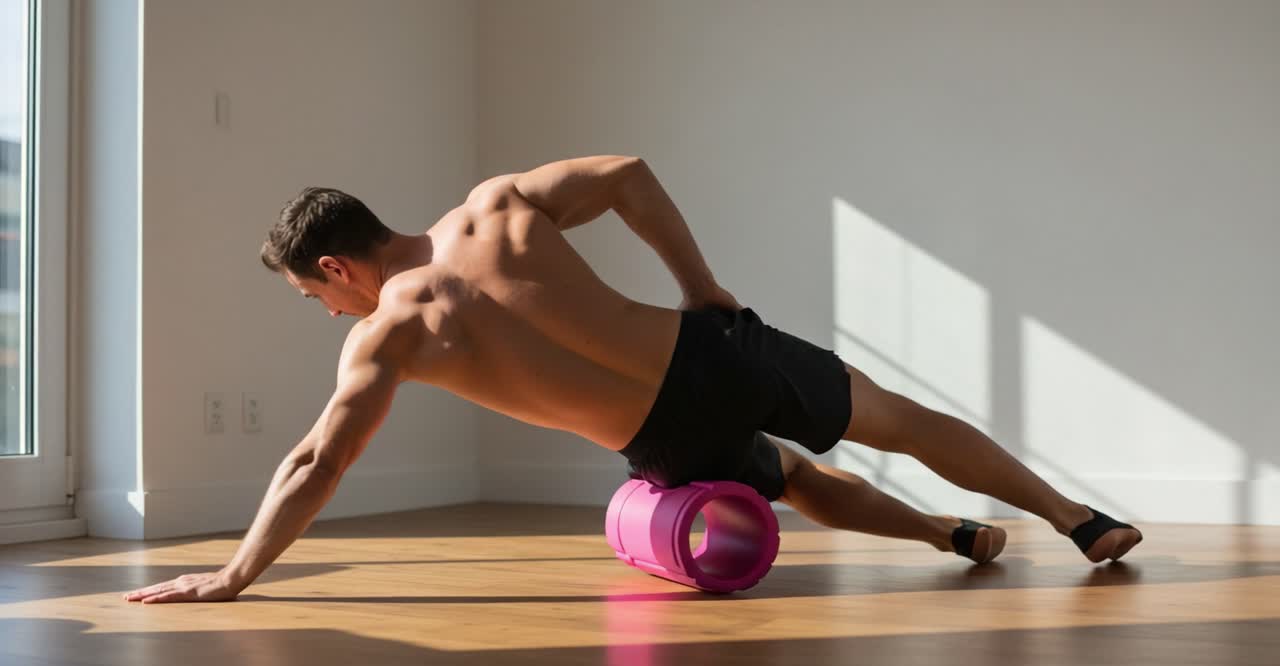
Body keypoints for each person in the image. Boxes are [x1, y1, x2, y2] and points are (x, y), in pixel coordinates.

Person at [124, 155, 1142, 604]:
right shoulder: (494, 209)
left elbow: (316, 457)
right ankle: (1074, 521)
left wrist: (236, 574)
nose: (327, 313)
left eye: (316, 297)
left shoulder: (387, 335)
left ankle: (943, 535)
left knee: (780, 479)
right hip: (709, 353)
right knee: (899, 421)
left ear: (336, 268)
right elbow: (625, 173)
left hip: (655, 436)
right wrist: (699, 287)